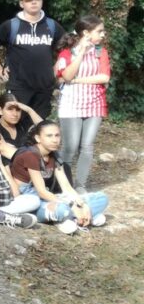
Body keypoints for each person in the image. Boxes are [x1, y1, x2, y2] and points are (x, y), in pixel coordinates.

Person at [0, 0, 66, 119]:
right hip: (19, 85)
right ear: (21, 4)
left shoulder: (52, 25)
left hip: (44, 85)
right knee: (15, 121)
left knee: (39, 124)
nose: (34, 2)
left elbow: (67, 47)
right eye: (29, 0)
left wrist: (58, 66)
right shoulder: (11, 25)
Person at [11, 121, 108, 233]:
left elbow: (66, 187)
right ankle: (74, 217)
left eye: (57, 135)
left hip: (49, 197)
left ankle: (75, 217)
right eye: (49, 136)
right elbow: (41, 191)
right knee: (62, 210)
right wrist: (72, 206)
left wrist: (82, 204)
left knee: (102, 198)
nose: (54, 140)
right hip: (31, 199)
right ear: (38, 138)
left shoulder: (54, 154)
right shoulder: (30, 155)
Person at [54, 15, 110, 191]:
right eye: (99, 31)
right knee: (70, 148)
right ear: (86, 33)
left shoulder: (101, 52)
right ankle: (63, 184)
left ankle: (80, 185)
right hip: (71, 104)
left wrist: (77, 81)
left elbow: (104, 77)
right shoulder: (67, 52)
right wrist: (81, 53)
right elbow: (66, 76)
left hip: (95, 104)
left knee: (87, 146)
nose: (103, 34)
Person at [0, 92, 43, 163]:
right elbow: (4, 149)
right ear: (0, 110)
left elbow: (46, 129)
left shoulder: (22, 125)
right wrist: (31, 160)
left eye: (18, 109)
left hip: (28, 164)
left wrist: (29, 110)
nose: (15, 114)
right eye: (10, 109)